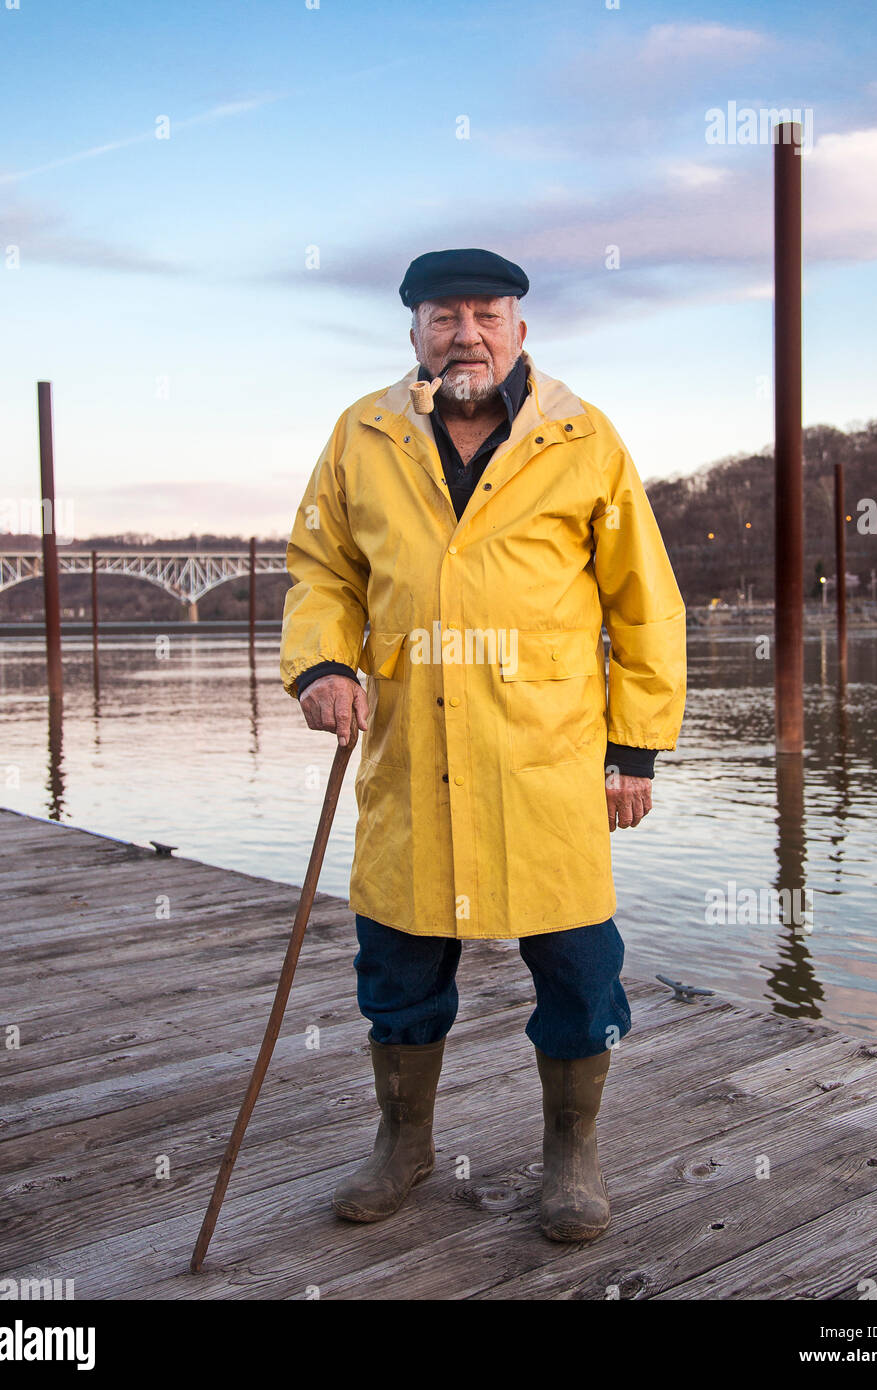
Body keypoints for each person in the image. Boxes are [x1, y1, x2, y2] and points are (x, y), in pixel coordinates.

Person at [280, 248, 686, 1242]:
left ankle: (571, 1159)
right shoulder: (361, 434)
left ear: (518, 327)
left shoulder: (582, 437)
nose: (464, 333)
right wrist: (323, 663)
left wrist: (633, 749)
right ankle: (401, 1145)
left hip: (545, 758)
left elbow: (644, 601)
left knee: (580, 970)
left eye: (485, 314)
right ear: (412, 330)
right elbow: (321, 569)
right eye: (442, 315)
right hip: (411, 755)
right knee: (398, 969)